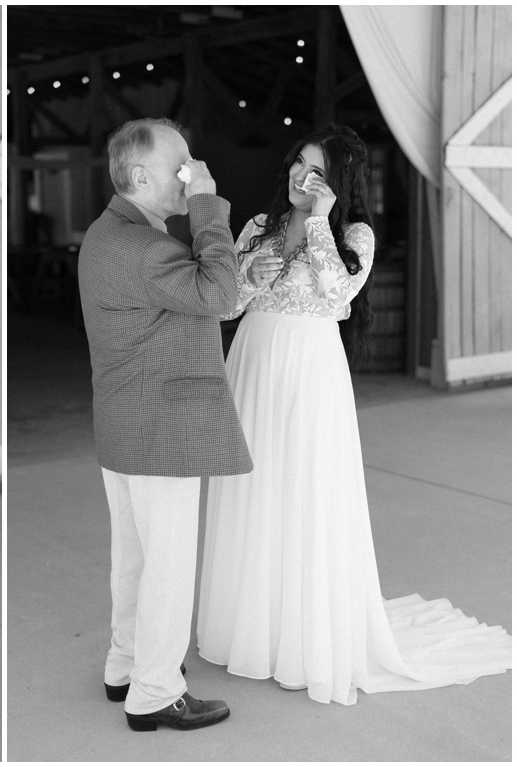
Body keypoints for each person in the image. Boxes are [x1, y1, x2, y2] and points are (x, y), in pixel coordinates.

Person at [196, 123, 512, 706]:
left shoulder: (355, 234)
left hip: (309, 372)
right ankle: (251, 629)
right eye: (298, 163)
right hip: (253, 364)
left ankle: (302, 636)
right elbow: (226, 308)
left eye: (316, 171)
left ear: (337, 184)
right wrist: (247, 277)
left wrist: (319, 219)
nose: (300, 176)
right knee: (252, 490)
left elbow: (339, 297)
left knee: (303, 492)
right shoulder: (257, 228)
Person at [77, 117, 253, 732]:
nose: (190, 174)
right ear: (142, 174)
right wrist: (207, 205)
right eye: (181, 166)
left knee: (134, 557)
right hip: (163, 425)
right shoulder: (149, 249)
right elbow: (222, 293)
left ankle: (123, 664)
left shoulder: (105, 232)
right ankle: (154, 691)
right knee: (168, 565)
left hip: (123, 422)